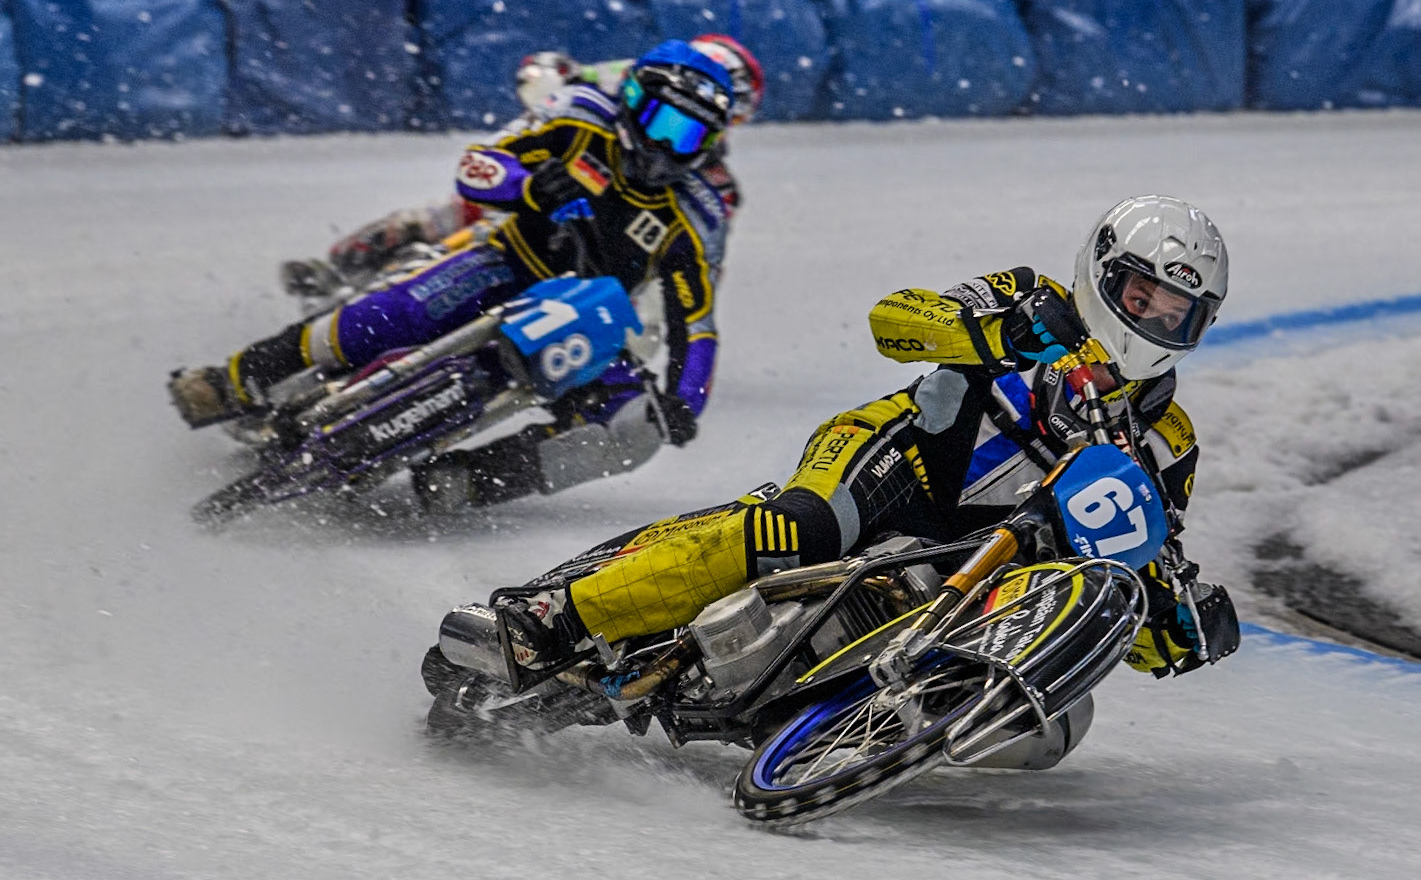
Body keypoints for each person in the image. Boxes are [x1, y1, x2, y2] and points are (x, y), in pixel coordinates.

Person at [492, 195, 1240, 687]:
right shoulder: (1029, 294)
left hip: (985, 560)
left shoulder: (1170, 440)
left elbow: (1137, 559)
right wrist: (998, 334)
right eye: (1141, 295)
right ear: (1102, 273)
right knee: (798, 528)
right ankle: (558, 617)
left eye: (1175, 312)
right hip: (899, 455)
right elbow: (896, 321)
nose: (1152, 319)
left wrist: (1174, 623)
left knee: (1057, 710)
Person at [169, 39, 737, 509]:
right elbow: (479, 164)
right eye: (663, 123)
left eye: (687, 137)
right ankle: (235, 381)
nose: (666, 147)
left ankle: (470, 480)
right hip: (505, 264)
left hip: (589, 318)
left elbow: (697, 319)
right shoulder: (580, 118)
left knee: (634, 432)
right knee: (388, 317)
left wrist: (686, 399)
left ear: (708, 147)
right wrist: (528, 186)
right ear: (634, 100)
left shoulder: (694, 214)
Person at [283, 34, 763, 297]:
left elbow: (705, 260)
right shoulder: (629, 76)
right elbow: (557, 76)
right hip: (562, 177)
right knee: (452, 210)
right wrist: (548, 76)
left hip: (602, 243)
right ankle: (340, 266)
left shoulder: (716, 182)